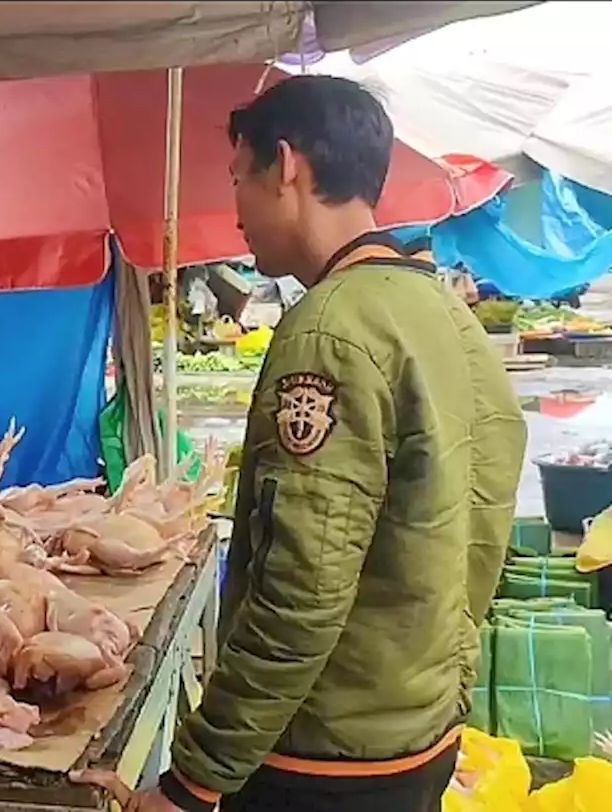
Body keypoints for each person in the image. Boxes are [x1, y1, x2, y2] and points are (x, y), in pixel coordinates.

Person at [84, 76, 528, 810]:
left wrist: (194, 777)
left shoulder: (330, 331)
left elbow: (301, 591)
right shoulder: (444, 314)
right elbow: (481, 528)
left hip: (328, 758)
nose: (235, 214)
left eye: (238, 179)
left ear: (285, 166)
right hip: (420, 729)